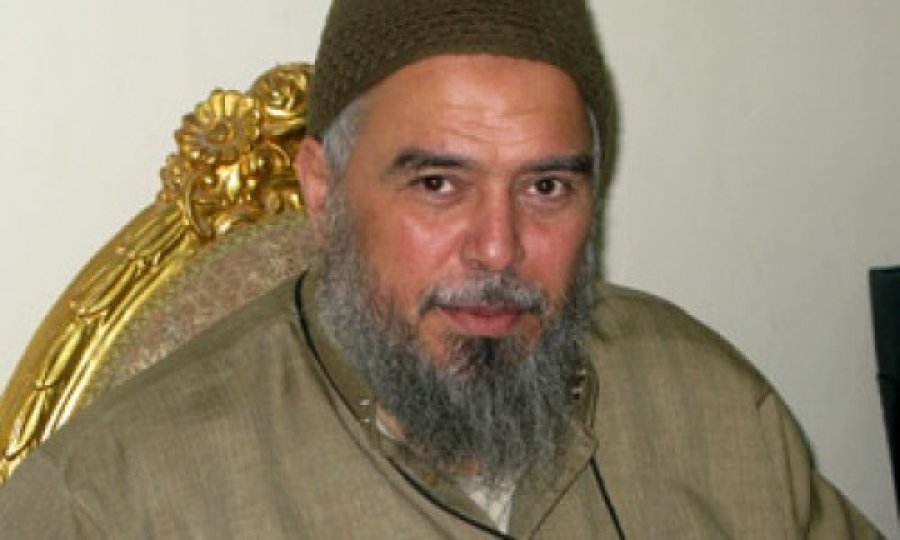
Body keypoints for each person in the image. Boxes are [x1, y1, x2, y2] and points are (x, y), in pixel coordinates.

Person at [0, 0, 881, 537]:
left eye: (546, 186)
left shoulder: (715, 407)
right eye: (437, 184)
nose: (498, 248)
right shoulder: (113, 502)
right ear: (323, 190)